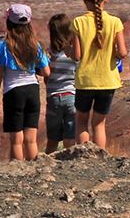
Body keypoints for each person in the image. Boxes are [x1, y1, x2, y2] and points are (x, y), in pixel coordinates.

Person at [70, 0, 127, 149]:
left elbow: (77, 55)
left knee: (81, 121)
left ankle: (83, 159)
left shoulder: (78, 23)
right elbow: (123, 52)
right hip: (108, 80)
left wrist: (67, 50)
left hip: (85, 81)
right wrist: (112, 51)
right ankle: (99, 161)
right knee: (99, 124)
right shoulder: (115, 22)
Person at [0, 4, 50, 161]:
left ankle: (17, 174)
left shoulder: (4, 47)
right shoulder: (36, 45)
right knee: (31, 139)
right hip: (32, 90)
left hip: (13, 92)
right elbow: (46, 72)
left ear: (9, 23)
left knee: (16, 141)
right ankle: (34, 172)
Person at [44, 13, 77, 154]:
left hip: (53, 98)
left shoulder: (48, 53)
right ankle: (68, 167)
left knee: (52, 139)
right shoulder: (74, 53)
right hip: (72, 97)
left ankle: (47, 164)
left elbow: (46, 77)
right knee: (70, 138)